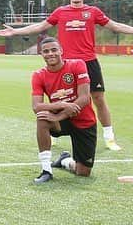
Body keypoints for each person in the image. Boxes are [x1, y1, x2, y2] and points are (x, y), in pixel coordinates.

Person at [0, 0, 133, 150]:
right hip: (65, 64)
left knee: (98, 98)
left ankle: (109, 137)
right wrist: (15, 31)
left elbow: (114, 26)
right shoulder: (60, 12)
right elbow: (41, 26)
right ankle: (55, 132)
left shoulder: (93, 11)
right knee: (60, 97)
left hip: (89, 61)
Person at [31, 37, 97, 183]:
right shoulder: (38, 75)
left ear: (61, 51)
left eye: (54, 50)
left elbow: (85, 98)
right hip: (61, 121)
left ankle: (64, 161)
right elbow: (36, 106)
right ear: (41, 54)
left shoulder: (77, 65)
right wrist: (62, 105)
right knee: (42, 117)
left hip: (84, 121)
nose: (50, 54)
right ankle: (46, 170)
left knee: (83, 172)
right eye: (46, 51)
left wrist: (59, 116)